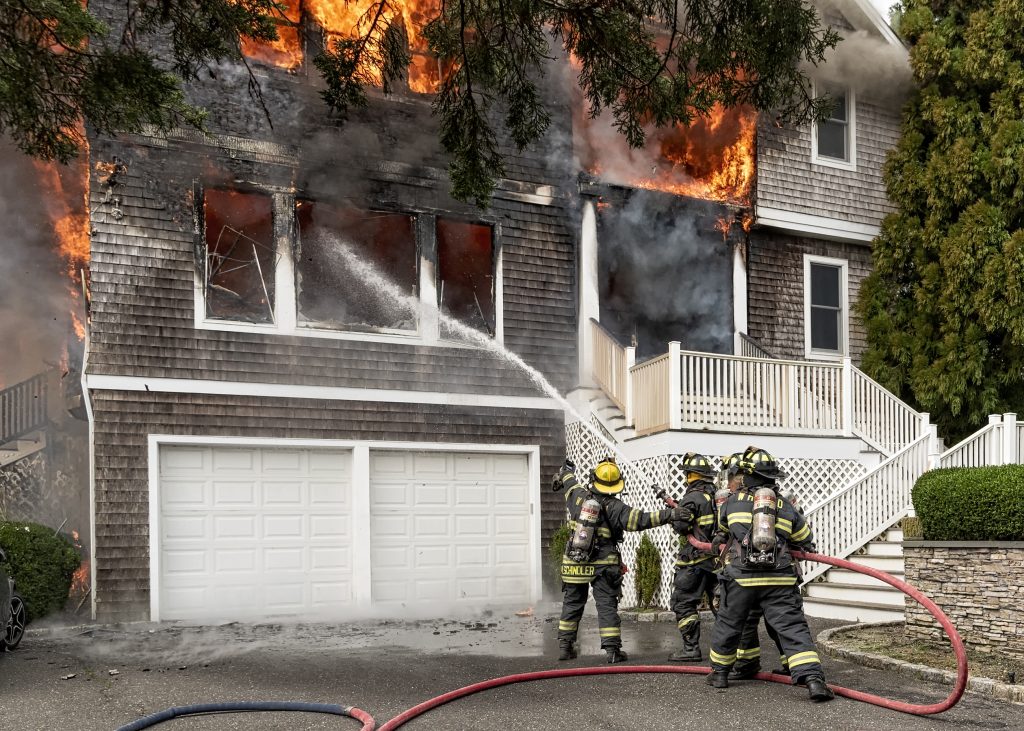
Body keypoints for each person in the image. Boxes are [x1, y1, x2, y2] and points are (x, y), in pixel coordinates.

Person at [706, 447, 835, 702]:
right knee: (792, 628)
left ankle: (720, 674)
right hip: (779, 578)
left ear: (747, 476)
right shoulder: (784, 505)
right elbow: (804, 538)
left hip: (742, 578)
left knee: (731, 623)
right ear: (772, 478)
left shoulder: (732, 502)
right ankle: (813, 681)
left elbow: (721, 527)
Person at [553, 457, 686, 664]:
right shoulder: (616, 507)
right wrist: (670, 514)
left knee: (572, 603)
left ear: (593, 479)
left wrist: (566, 469)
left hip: (574, 562)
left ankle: (565, 647)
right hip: (604, 565)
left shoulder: (577, 496)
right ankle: (613, 652)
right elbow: (642, 520)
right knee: (606, 605)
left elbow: (569, 481)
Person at [666, 452, 718, 662]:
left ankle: (690, 648)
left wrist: (674, 515)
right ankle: (731, 650)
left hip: (695, 562)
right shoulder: (717, 497)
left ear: (689, 476)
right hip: (716, 561)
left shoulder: (692, 498)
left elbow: (681, 526)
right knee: (721, 606)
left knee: (683, 602)